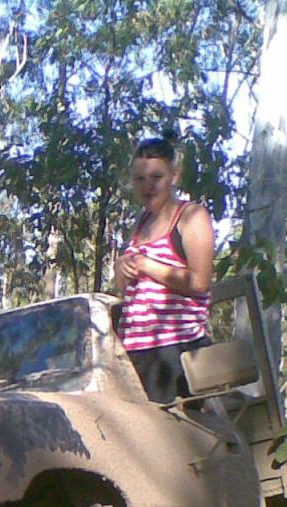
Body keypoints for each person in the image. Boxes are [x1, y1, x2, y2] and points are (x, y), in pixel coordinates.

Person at [112, 133, 215, 403]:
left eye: (156, 177)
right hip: (135, 352)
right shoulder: (141, 222)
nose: (148, 186)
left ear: (174, 176)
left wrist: (147, 265)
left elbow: (200, 282)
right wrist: (121, 269)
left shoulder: (192, 216)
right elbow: (126, 290)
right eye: (140, 179)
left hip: (177, 352)